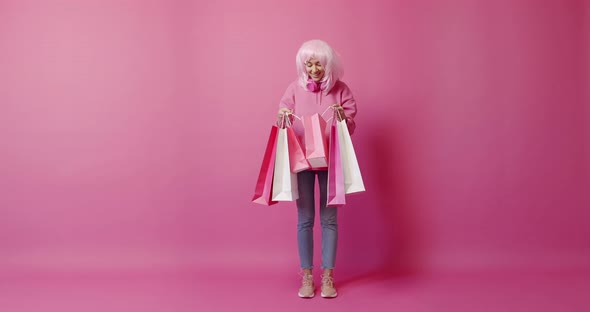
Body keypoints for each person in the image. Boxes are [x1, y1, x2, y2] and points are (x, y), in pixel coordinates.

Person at [277, 39, 357, 298]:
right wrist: (282, 118)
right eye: (308, 63)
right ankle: (308, 276)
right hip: (302, 161)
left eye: (318, 63)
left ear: (328, 64)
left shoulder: (341, 89)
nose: (313, 68)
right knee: (305, 220)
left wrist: (343, 117)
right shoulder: (294, 88)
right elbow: (282, 116)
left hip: (330, 162)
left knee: (329, 220)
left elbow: (351, 125)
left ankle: (329, 276)